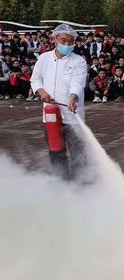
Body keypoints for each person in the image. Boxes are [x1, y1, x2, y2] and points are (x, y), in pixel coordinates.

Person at [30, 24, 88, 180]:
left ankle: (81, 185)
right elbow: (35, 79)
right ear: (54, 39)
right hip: (50, 114)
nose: (67, 45)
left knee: (78, 153)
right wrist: (41, 92)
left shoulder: (79, 61)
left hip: (72, 115)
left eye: (71, 42)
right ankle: (61, 182)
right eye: (63, 41)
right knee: (56, 150)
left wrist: (72, 97)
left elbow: (78, 82)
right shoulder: (44, 58)